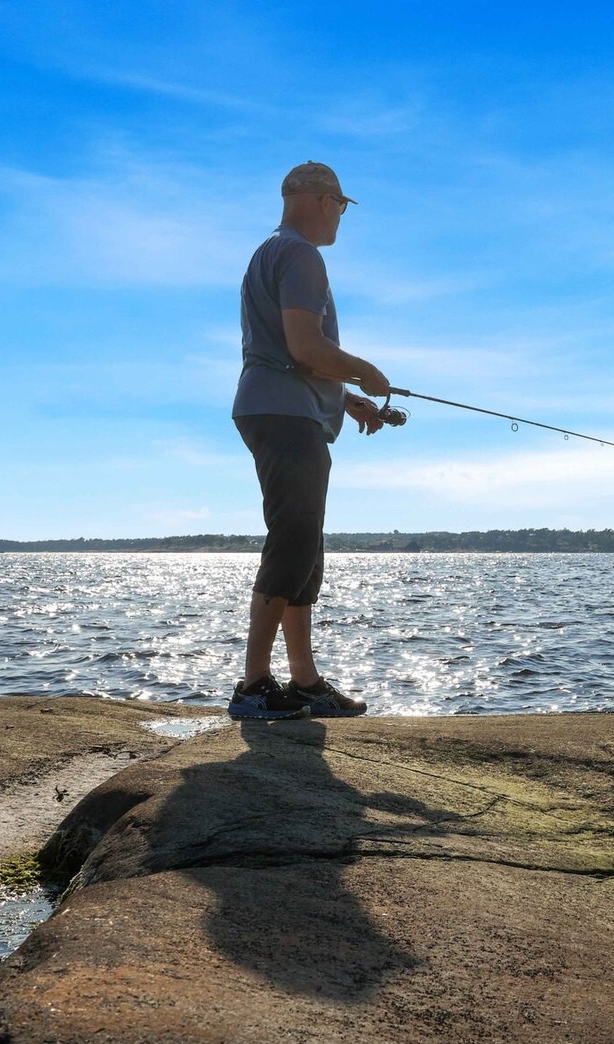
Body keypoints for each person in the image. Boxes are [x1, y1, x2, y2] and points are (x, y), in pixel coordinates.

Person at [228, 161, 392, 720]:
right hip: (282, 413)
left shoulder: (269, 252)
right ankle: (253, 687)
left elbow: (280, 350)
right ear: (324, 200)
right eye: (341, 207)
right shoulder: (301, 254)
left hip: (281, 407)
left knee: (305, 549)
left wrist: (344, 397)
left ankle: (305, 682)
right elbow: (305, 346)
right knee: (293, 542)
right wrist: (364, 371)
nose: (341, 218)